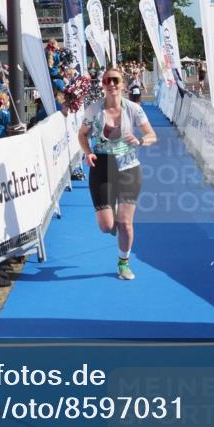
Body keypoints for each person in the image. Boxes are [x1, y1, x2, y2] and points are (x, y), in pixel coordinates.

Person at [78, 67, 157, 281]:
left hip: (129, 167)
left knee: (125, 223)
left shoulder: (133, 109)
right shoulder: (94, 110)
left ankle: (123, 264)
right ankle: (111, 213)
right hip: (102, 166)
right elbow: (82, 135)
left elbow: (152, 135)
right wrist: (87, 153)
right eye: (107, 81)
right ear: (102, 85)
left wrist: (141, 141)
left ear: (123, 84)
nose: (112, 84)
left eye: (116, 80)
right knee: (106, 226)